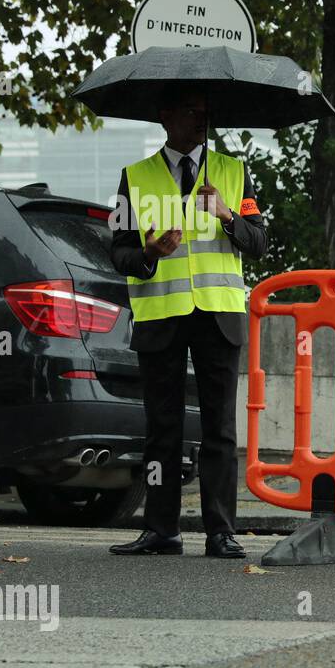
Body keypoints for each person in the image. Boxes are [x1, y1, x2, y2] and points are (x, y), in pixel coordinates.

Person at [107, 84, 267, 558]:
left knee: (219, 427)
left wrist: (227, 216)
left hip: (218, 315)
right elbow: (117, 251)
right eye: (191, 111)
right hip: (162, 315)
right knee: (162, 427)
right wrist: (149, 254)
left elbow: (259, 242)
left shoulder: (233, 174)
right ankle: (161, 529)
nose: (200, 119)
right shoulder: (134, 178)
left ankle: (221, 530)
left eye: (205, 112)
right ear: (166, 116)